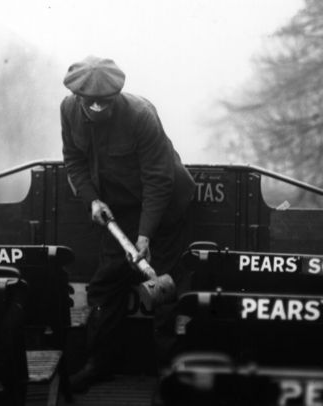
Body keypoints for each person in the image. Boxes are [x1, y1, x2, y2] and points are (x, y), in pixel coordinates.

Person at [60, 56, 195, 392]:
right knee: (105, 286)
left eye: (104, 102)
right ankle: (99, 365)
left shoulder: (140, 115)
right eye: (88, 102)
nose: (96, 108)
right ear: (76, 97)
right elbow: (73, 159)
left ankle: (168, 376)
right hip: (117, 211)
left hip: (162, 208)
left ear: (116, 95)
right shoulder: (67, 110)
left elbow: (158, 180)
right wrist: (92, 199)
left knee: (163, 288)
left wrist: (146, 234)